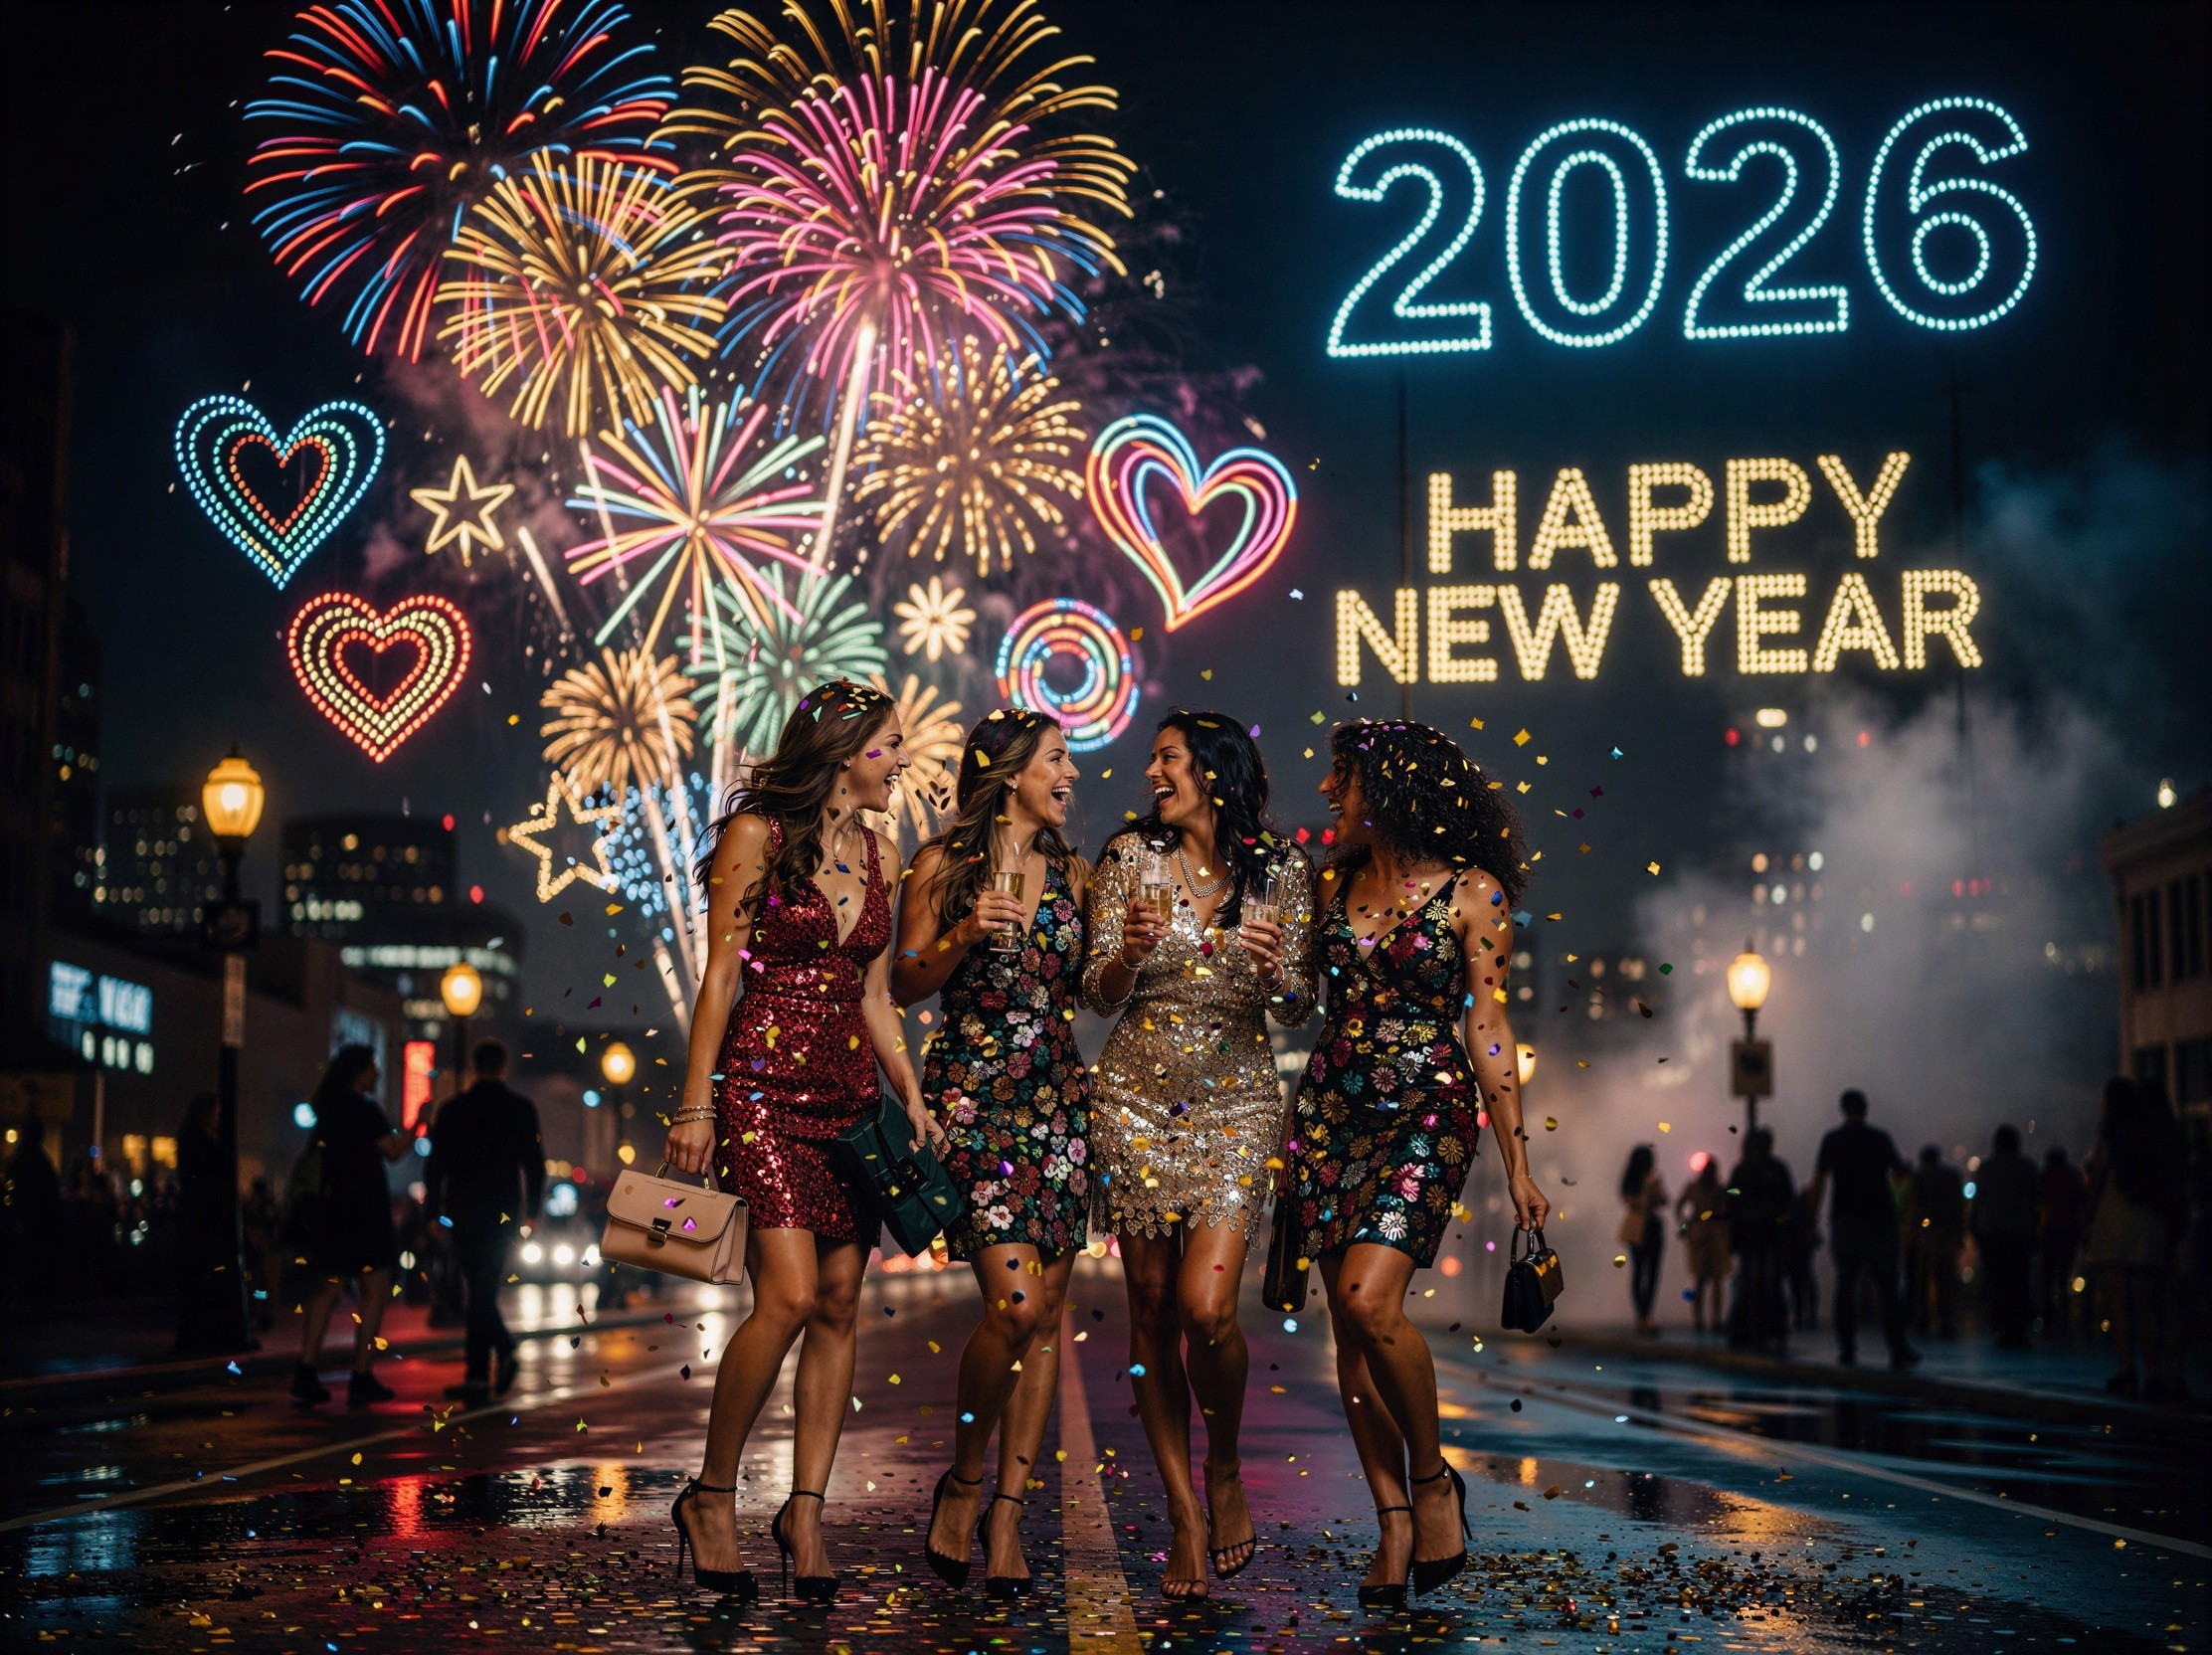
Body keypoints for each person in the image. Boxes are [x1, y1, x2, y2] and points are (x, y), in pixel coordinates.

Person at [660, 678, 938, 1603]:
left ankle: (805, 1514)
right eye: (889, 744)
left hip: (850, 1100)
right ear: (844, 748)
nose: (902, 761)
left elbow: (874, 994)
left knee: (841, 1304)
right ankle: (710, 1495)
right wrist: (696, 1104)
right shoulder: (756, 839)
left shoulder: (884, 851)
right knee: (782, 1298)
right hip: (765, 1091)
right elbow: (717, 982)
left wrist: (911, 1087)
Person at [1285, 719, 1550, 1610]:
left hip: (1427, 1115)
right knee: (1347, 1337)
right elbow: (1297, 1004)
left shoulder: (1476, 894)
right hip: (1328, 1115)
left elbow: (1488, 1023)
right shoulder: (1328, 882)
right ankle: (1392, 1519)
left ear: (1390, 788)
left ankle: (1434, 1483)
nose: (1328, 793)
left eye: (1343, 779)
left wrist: (1518, 1161)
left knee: (1370, 1301)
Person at [1081, 709, 1315, 1599]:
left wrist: (1275, 977)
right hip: (1134, 1101)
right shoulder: (1126, 860)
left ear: (1214, 771)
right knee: (1149, 1307)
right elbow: (1099, 995)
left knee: (1206, 1307)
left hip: (1238, 1101)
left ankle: (1223, 1467)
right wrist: (1129, 957)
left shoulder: (1284, 872)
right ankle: (1183, 1511)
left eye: (1166, 758)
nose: (1152, 774)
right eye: (1152, 759)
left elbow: (1297, 1008)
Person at [892, 708, 1090, 1598]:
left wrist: (1123, 959)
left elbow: (1091, 991)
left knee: (1046, 1317)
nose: (1072, 775)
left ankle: (1008, 1515)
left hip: (1058, 1098)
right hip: (973, 1095)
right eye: (1057, 761)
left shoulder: (1079, 878)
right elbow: (902, 980)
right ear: (1010, 773)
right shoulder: (939, 867)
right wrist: (964, 933)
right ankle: (964, 1478)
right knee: (1012, 1308)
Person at [426, 1038, 545, 1402]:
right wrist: (533, 1212)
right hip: (502, 1209)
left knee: (475, 1288)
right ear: (504, 1067)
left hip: (462, 1208)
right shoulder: (520, 1109)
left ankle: (480, 1372)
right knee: (483, 1288)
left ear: (475, 1068)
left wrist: (432, 1211)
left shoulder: (453, 1109)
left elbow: (435, 1166)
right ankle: (495, 1358)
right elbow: (535, 1166)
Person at [291, 1045, 409, 1406]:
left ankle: (306, 1370)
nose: (376, 1074)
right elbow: (392, 1151)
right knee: (375, 1288)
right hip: (365, 1211)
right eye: (372, 1068)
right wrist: (419, 1123)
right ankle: (361, 1373)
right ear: (358, 1073)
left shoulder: (328, 1108)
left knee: (326, 1290)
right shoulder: (364, 1109)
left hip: (332, 1209)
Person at [2081, 1076, 2188, 1397]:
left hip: (2113, 1224)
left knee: (2118, 1303)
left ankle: (2130, 1368)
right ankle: (2165, 1372)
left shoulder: (2112, 1139)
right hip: (2152, 1225)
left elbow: (2096, 1182)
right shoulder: (2163, 1140)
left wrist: (2086, 1222)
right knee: (2154, 1304)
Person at [1805, 1089, 1919, 1370]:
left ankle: (1847, 1349)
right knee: (1887, 1287)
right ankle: (1897, 1347)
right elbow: (1899, 1175)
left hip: (1845, 1220)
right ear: (1866, 1110)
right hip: (1879, 1218)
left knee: (1846, 1285)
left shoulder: (1832, 1140)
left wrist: (1811, 1217)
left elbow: (1819, 1181)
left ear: (1842, 1110)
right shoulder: (1880, 1138)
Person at [172, 1092, 239, 1354]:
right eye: (216, 1113)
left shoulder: (191, 1139)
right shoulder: (201, 1142)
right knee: (203, 1274)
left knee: (199, 1275)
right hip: (203, 1214)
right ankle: (196, 1335)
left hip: (197, 1213)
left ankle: (194, 1333)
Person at [1724, 1128, 1794, 1353]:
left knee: (1750, 1282)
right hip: (1769, 1234)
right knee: (1769, 1282)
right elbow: (1787, 1201)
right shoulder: (1776, 1169)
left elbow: (1731, 1198)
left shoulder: (1743, 1170)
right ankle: (1773, 1328)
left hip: (1750, 1235)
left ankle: (1748, 1328)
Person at [1971, 1124, 2040, 1350]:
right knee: (2018, 1282)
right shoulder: (2027, 1168)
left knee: (1997, 1283)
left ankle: (2000, 1328)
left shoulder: (1986, 1168)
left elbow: (1978, 1201)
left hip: (1993, 1232)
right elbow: (2036, 1202)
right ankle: (2018, 1329)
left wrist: (1973, 1228)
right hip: (2020, 1232)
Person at [1904, 1145, 1965, 1339]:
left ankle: (1922, 1318)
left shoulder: (1920, 1177)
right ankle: (1946, 1319)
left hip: (1926, 1232)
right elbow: (1959, 1206)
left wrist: (1911, 1234)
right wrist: (1959, 1233)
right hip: (1948, 1231)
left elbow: (1916, 1206)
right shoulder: (1952, 1176)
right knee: (1946, 1277)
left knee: (1922, 1277)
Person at [1675, 1157, 1731, 1335]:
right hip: (1708, 1235)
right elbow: (1679, 1207)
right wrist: (1685, 1226)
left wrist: (1685, 1226)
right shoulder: (1715, 1189)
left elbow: (1679, 1207)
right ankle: (1707, 1319)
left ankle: (1707, 1319)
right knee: (1707, 1280)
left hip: (1706, 1235)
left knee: (1708, 1280)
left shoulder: (1711, 1189)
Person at [1616, 1145, 1668, 1336]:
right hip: (1647, 1227)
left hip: (1637, 1227)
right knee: (1649, 1273)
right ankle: (1644, 1316)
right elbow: (1660, 1200)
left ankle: (1643, 1316)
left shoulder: (1630, 1179)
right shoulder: (1649, 1180)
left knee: (1640, 1272)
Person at [2038, 1146, 2087, 1339]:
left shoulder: (2044, 1177)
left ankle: (2048, 1321)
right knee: (2064, 1277)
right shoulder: (2072, 1178)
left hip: (2048, 1232)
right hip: (2068, 1232)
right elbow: (2081, 1203)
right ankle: (2064, 1321)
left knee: (2047, 1279)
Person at [1783, 1183, 1821, 1333]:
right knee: (1806, 1281)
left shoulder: (1795, 1207)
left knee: (1797, 1283)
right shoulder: (1806, 1209)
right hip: (1802, 1249)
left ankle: (1800, 1315)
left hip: (1794, 1249)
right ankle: (1809, 1314)